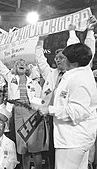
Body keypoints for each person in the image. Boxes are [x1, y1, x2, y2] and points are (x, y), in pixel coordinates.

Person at [35, 16, 97, 168]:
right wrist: (74, 31)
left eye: (64, 57)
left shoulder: (79, 80)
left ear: (72, 61)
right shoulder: (79, 71)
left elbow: (78, 111)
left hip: (73, 140)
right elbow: (82, 49)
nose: (61, 59)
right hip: (72, 137)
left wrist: (49, 110)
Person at [0, 51, 43, 169]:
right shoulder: (11, 78)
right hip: (18, 112)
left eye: (23, 63)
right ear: (15, 67)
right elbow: (0, 67)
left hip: (32, 113)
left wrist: (41, 109)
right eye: (18, 62)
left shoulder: (33, 82)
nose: (21, 64)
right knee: (23, 146)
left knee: (35, 146)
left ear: (27, 67)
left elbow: (40, 99)